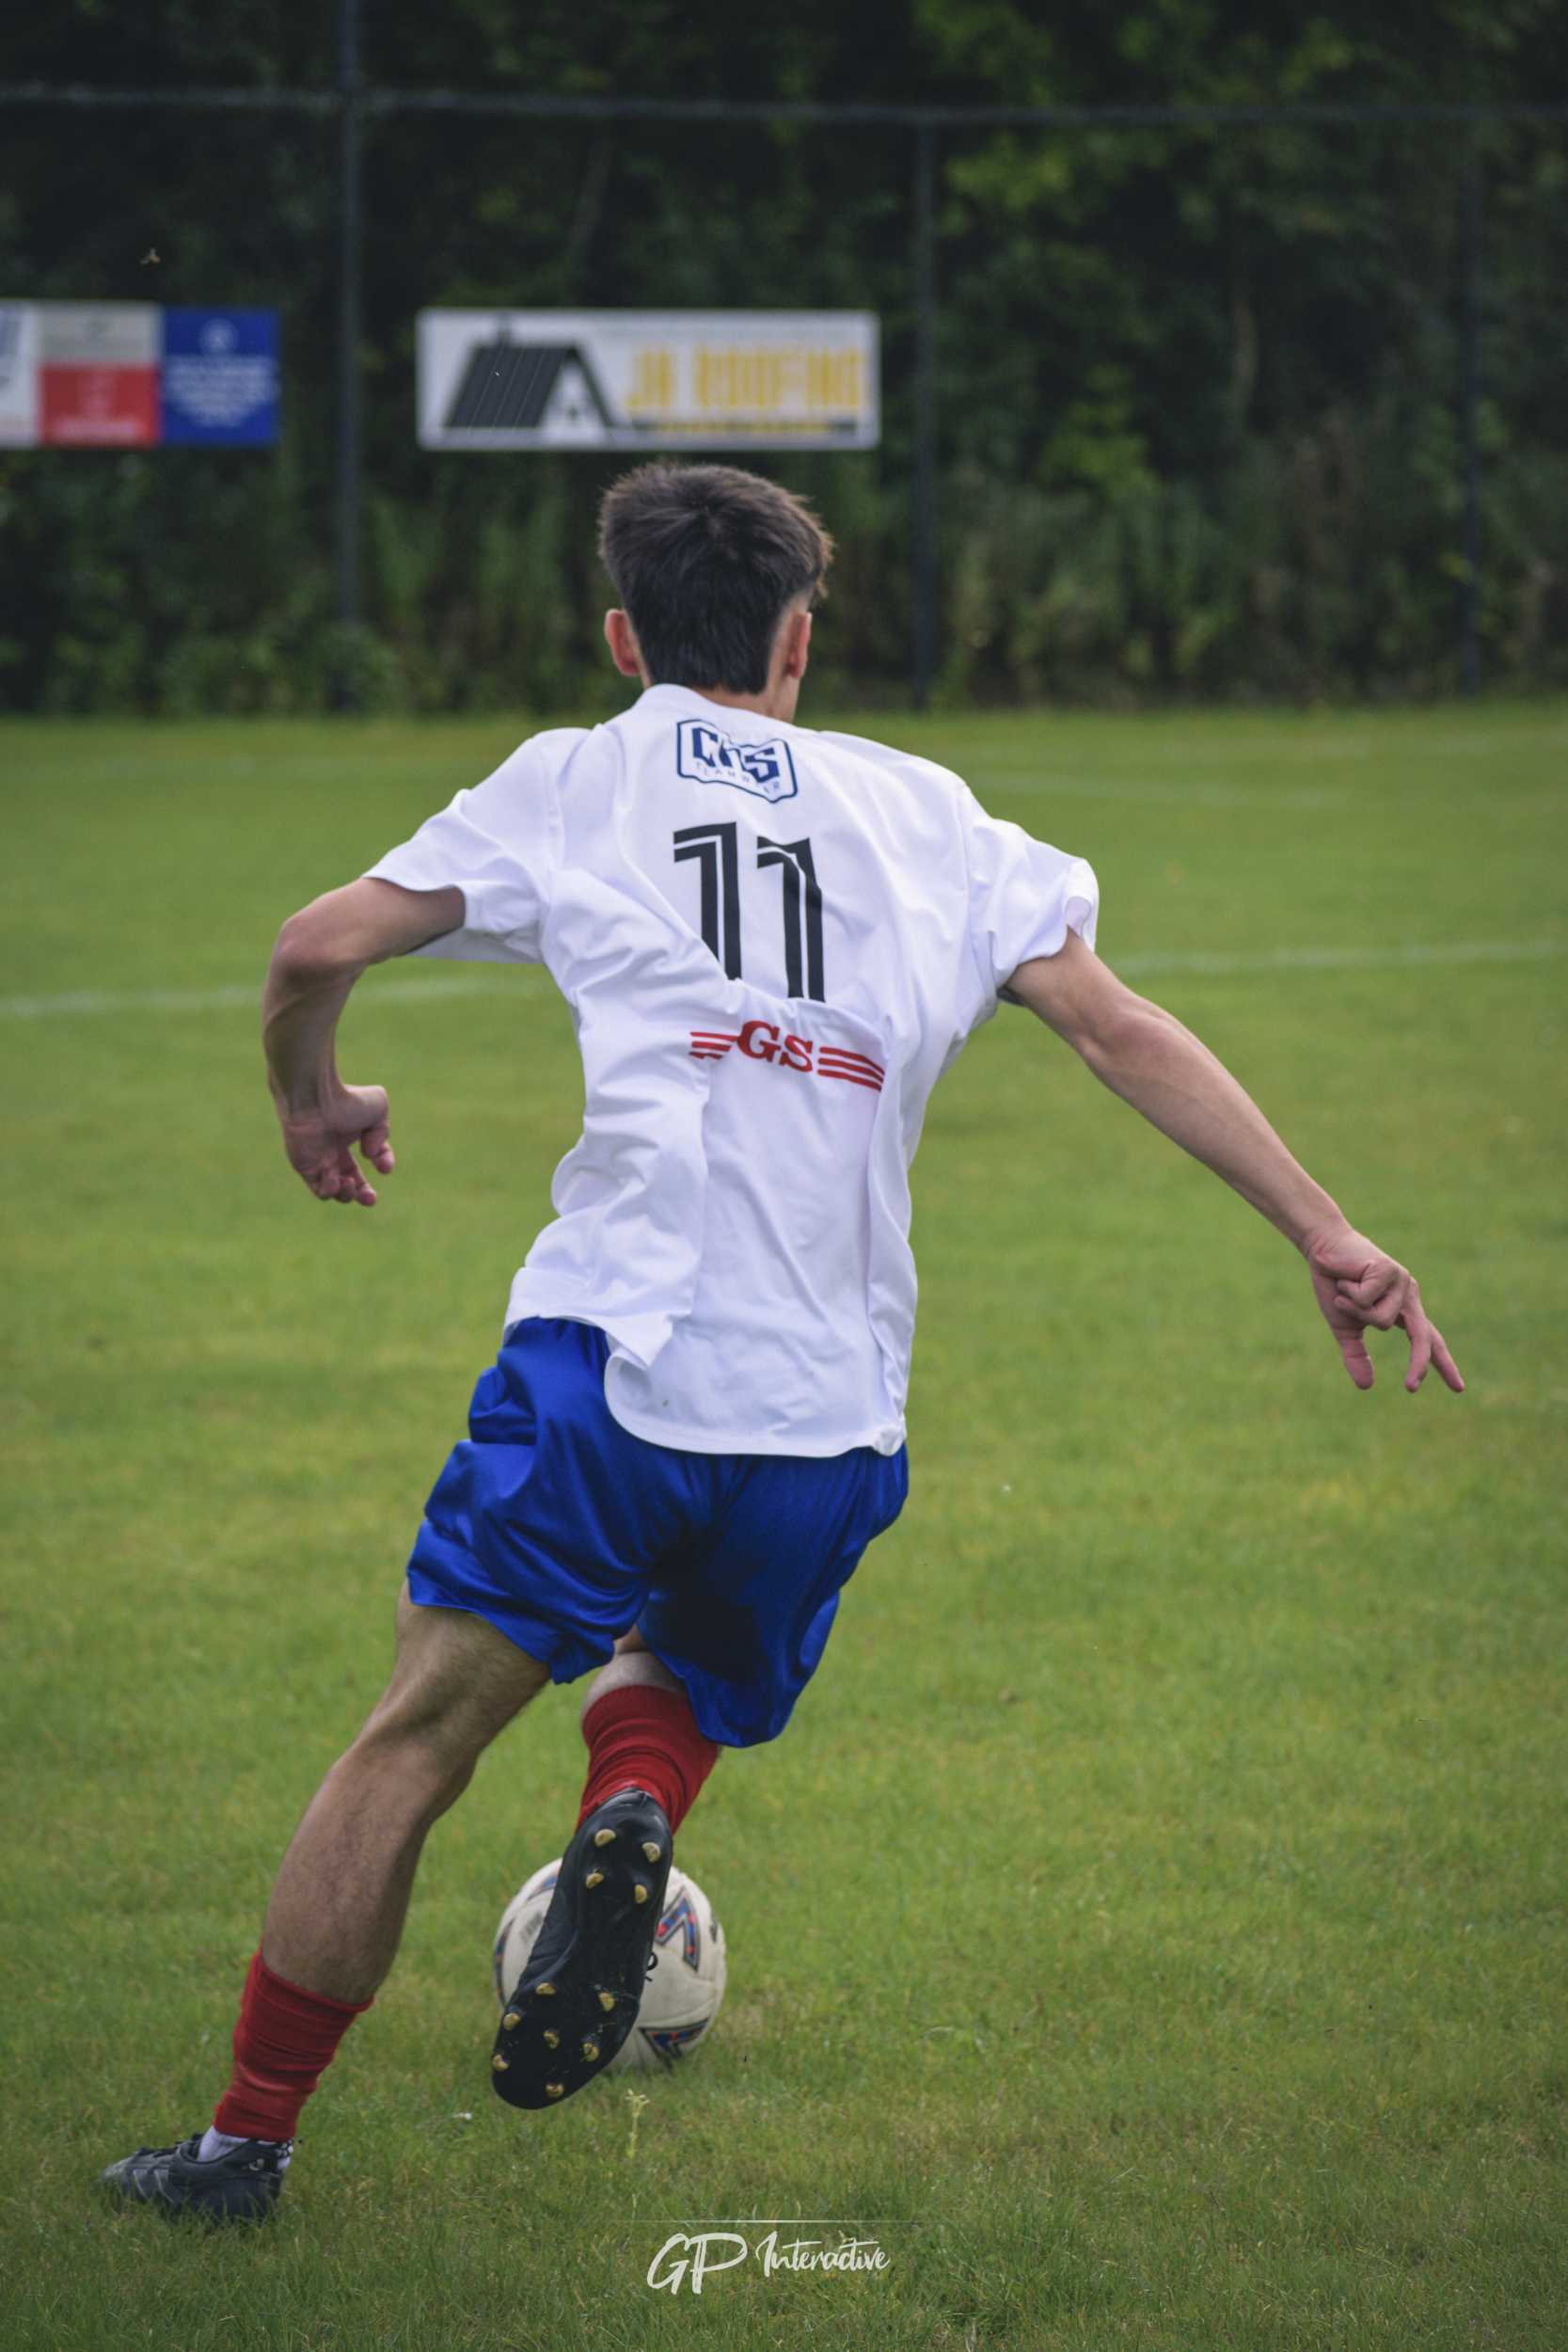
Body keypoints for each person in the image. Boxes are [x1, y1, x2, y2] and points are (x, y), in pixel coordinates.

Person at [103, 463, 1463, 2222]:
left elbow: (313, 946)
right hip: (828, 1419)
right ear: (800, 639)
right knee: (677, 1660)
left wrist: (315, 1096)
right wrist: (1327, 1229)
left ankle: (242, 2147)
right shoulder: (933, 816)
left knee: (413, 1747)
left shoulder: (583, 771)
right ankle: (639, 1805)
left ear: (624, 639)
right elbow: (1116, 1027)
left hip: (611, 1364)